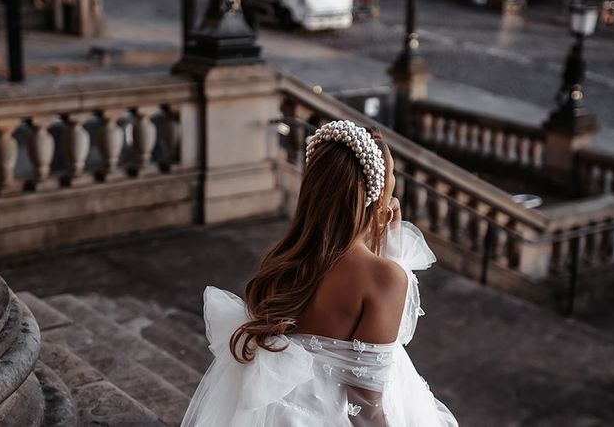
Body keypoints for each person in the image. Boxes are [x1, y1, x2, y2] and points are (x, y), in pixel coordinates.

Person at [181, 120, 458, 427]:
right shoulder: (386, 279)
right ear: (378, 198)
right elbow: (364, 405)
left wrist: (386, 242)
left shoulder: (284, 258)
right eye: (391, 179)